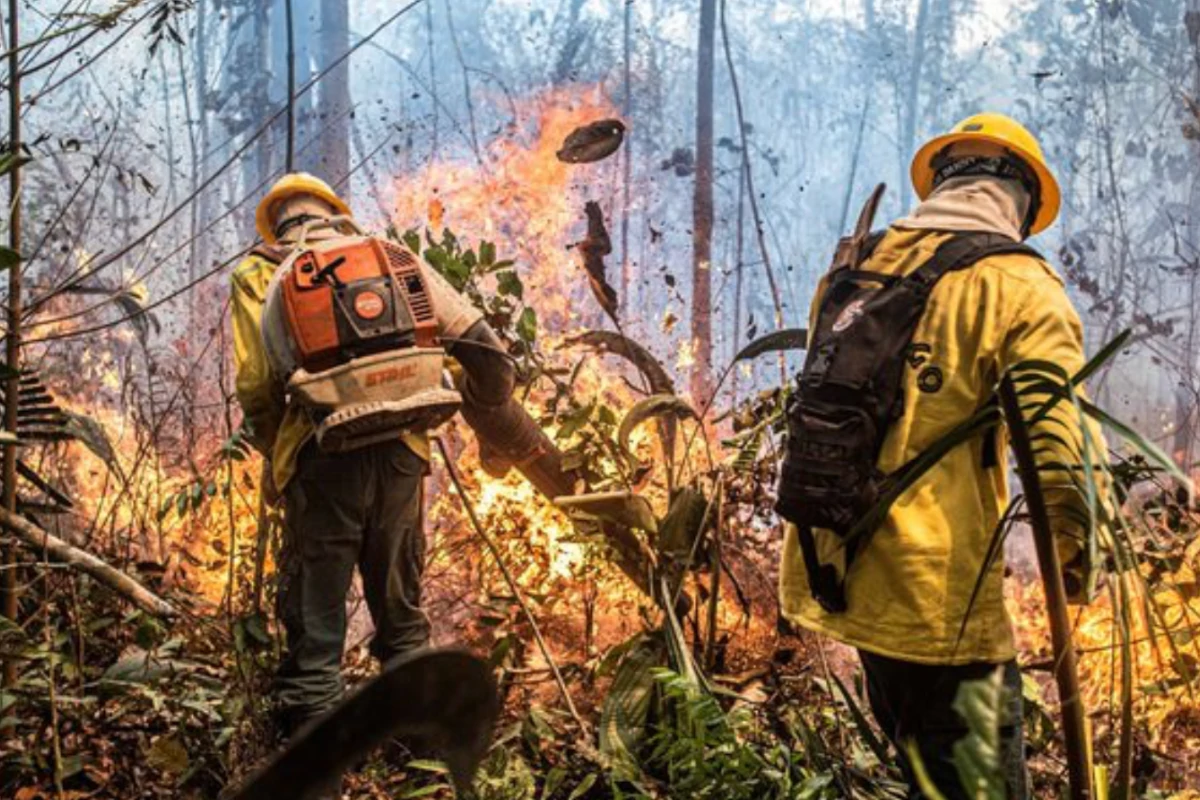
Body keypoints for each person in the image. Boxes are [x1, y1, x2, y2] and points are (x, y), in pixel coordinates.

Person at [777, 114, 1106, 799]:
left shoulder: (857, 264)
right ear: (1021, 201)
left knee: (922, 770)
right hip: (937, 603)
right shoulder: (1019, 284)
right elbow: (1060, 445)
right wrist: (1077, 558)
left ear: (943, 182)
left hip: (837, 568)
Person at [231, 173, 553, 737]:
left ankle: (316, 760)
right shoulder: (390, 258)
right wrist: (489, 427)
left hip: (320, 457)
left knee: (317, 626)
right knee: (402, 616)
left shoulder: (257, 273)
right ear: (334, 211)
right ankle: (423, 755)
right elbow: (489, 355)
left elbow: (258, 384)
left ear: (275, 224)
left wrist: (277, 456)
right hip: (402, 453)